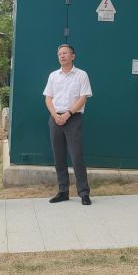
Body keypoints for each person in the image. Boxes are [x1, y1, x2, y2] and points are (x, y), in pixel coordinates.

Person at [43, 44, 93, 205]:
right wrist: (55, 115)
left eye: (65, 53)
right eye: (60, 54)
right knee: (58, 156)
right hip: (55, 118)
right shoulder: (53, 76)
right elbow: (48, 98)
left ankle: (84, 193)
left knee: (76, 156)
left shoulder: (81, 75)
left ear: (73, 56)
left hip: (73, 118)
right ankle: (63, 191)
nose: (62, 56)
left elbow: (83, 98)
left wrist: (68, 114)